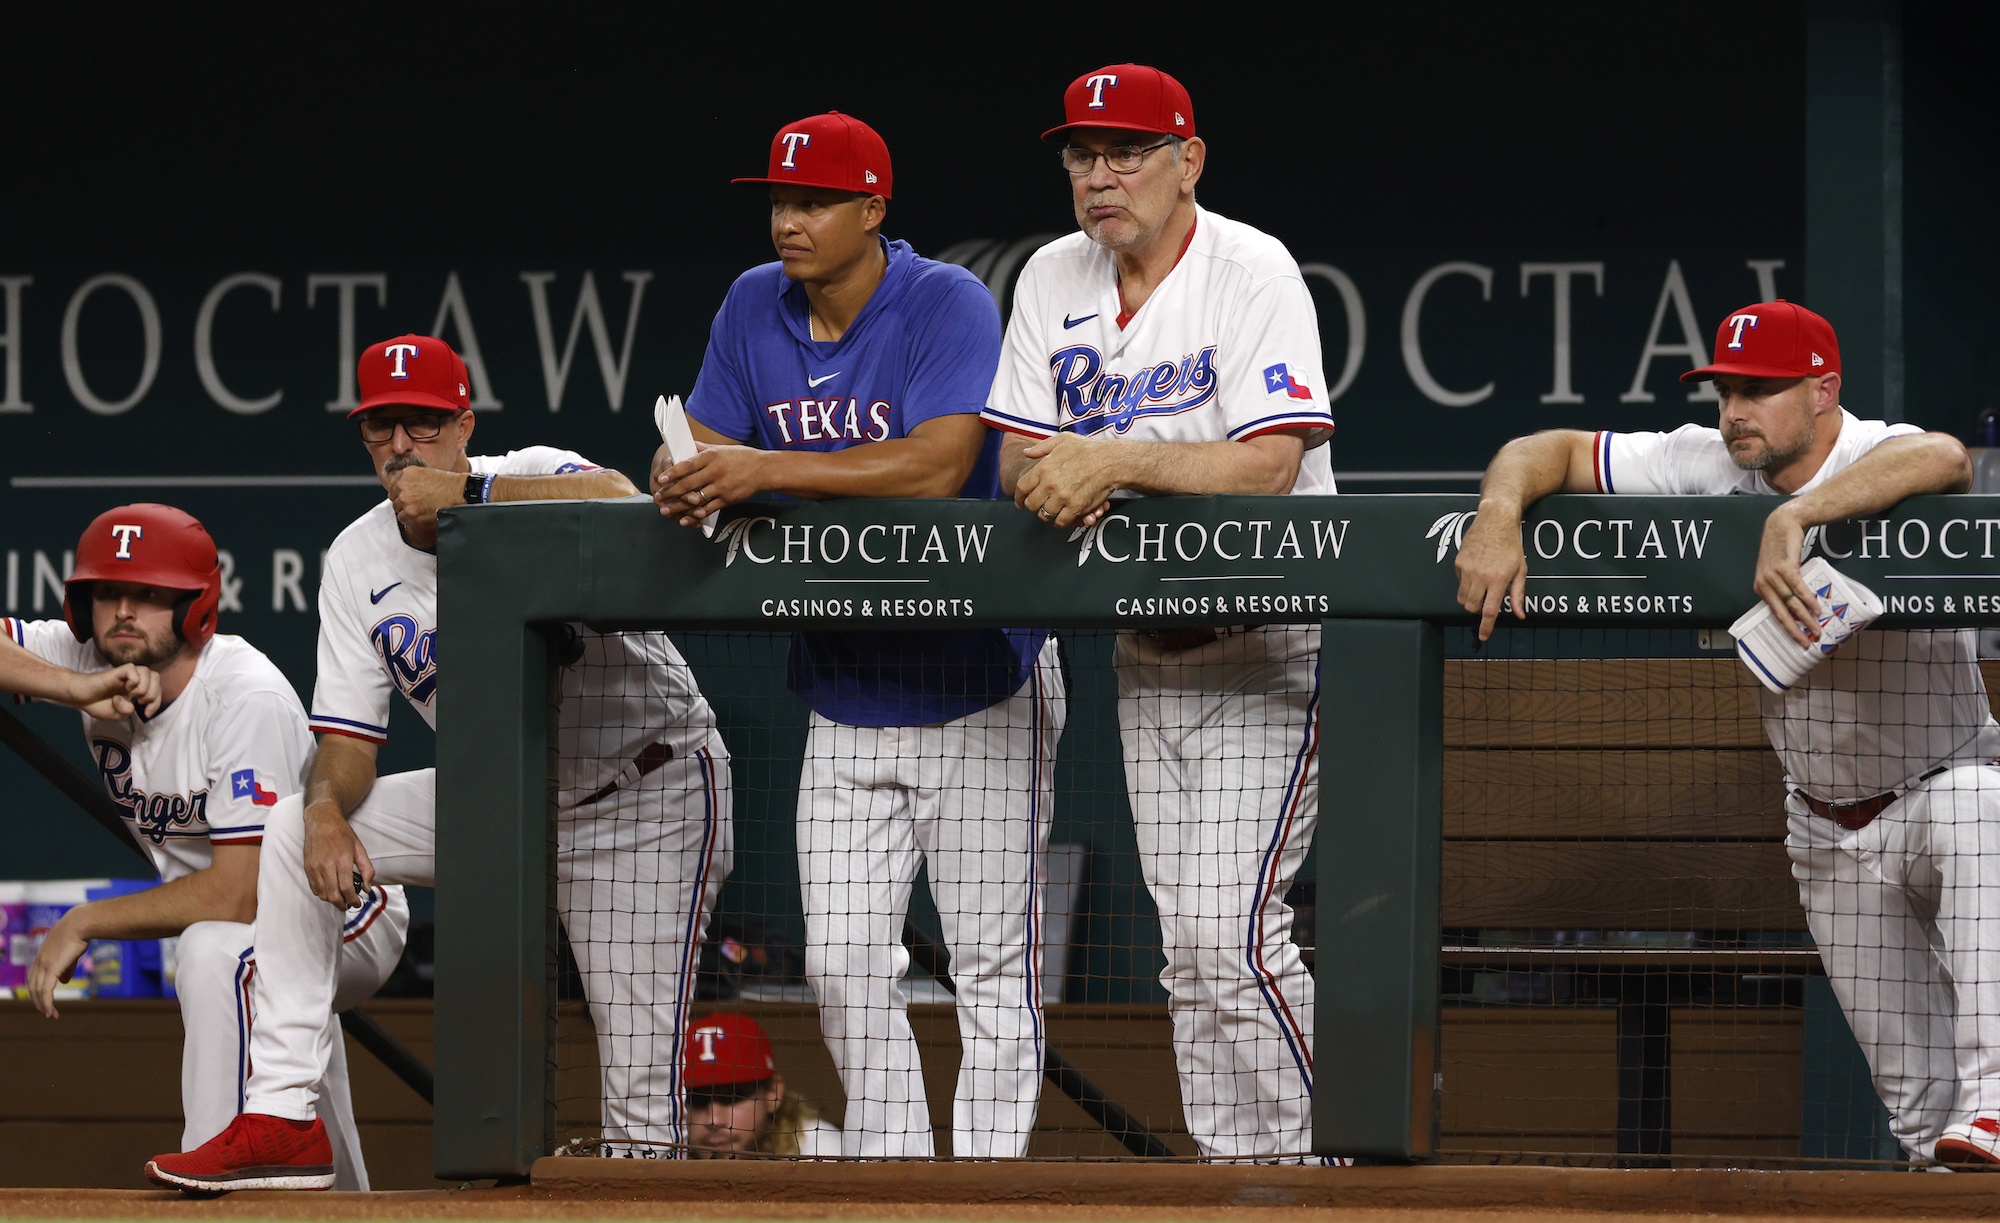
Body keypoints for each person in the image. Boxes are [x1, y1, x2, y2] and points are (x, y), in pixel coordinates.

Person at [145, 335, 733, 1190]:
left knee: (641, 1106)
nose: (398, 447)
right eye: (379, 428)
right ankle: (281, 1114)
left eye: (419, 425)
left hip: (645, 792)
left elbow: (625, 501)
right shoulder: (356, 558)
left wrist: (471, 494)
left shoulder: (526, 473)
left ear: (463, 425)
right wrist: (322, 813)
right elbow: (348, 742)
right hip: (503, 796)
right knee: (285, 822)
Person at [1454, 298, 2000, 1167]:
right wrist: (1496, 512)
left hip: (1940, 786)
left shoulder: (1873, 448)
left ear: (1824, 390)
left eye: (1761, 389)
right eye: (1724, 388)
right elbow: (1545, 450)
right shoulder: (1704, 460)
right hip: (1826, 821)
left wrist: (1797, 516)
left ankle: (1999, 1107)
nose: (1735, 409)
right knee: (1919, 1112)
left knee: (1983, 807)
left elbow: (1944, 455)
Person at [653, 111, 1064, 1159]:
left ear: (873, 209)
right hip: (843, 686)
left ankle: (980, 1182)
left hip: (976, 677)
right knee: (838, 961)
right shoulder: (753, 303)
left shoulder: (943, 300)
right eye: (779, 202)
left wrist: (762, 468)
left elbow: (935, 464)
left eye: (813, 202)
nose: (788, 221)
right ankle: (888, 1168)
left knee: (989, 967)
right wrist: (686, 468)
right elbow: (708, 441)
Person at [981, 65, 1334, 1162]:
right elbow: (1016, 457)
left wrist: (1109, 459)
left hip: (1263, 640)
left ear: (1188, 161)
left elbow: (1270, 462)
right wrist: (1074, 468)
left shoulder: (1248, 265)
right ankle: (1236, 1172)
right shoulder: (1051, 274)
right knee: (1187, 948)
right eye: (1082, 155)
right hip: (1145, 648)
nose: (1099, 175)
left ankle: (1327, 1164)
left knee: (1235, 934)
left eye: (1126, 151)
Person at [5, 504, 407, 1191]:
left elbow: (241, 891)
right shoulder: (91, 658)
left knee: (217, 954)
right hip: (248, 917)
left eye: (150, 594)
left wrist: (85, 920)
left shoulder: (242, 695)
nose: (124, 611)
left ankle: (213, 1197)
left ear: (196, 608)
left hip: (343, 905)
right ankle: (339, 1198)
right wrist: (73, 688)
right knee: (276, 1025)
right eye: (107, 591)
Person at [683, 1012, 840, 1158]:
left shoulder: (820, 1150)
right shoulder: (666, 1150)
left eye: (732, 1097)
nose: (714, 1120)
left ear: (773, 1092)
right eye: (695, 1100)